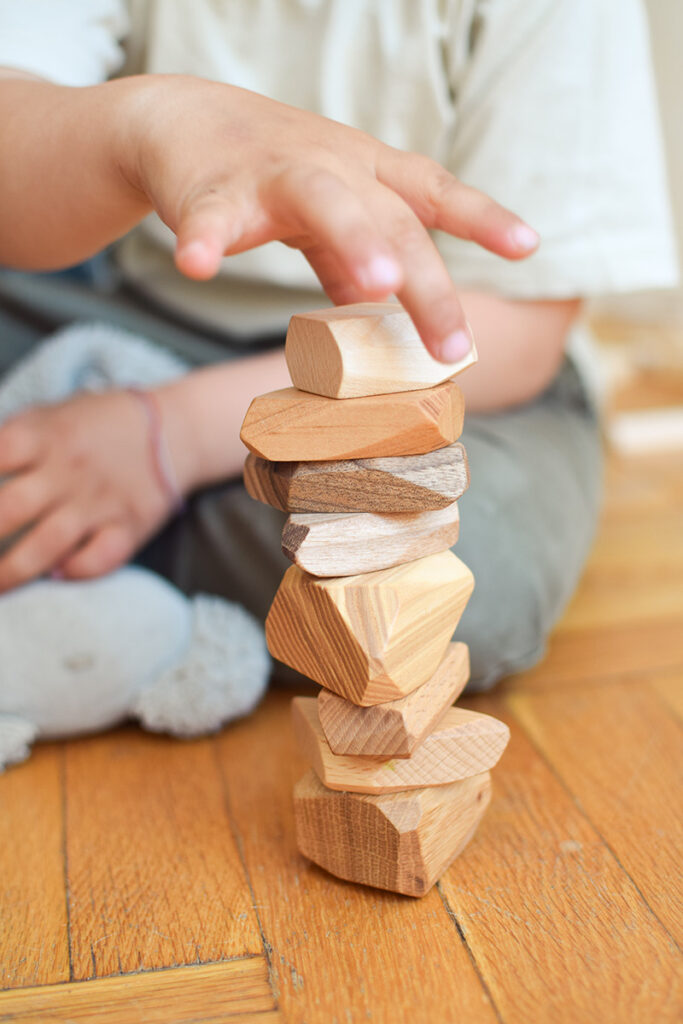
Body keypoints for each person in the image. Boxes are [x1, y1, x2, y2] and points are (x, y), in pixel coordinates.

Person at [0, 0, 677, 689]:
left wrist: (170, 434)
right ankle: (107, 529)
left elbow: (517, 331)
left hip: (431, 380)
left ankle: (83, 537)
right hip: (146, 313)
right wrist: (141, 123)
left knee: (460, 588)